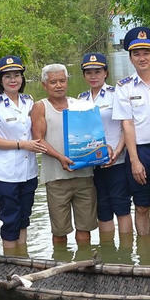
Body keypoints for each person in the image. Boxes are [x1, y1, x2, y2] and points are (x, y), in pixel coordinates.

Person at [112, 26, 150, 235]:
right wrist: (134, 160)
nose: (142, 58)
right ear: (130, 58)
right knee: (141, 206)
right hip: (141, 152)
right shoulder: (124, 87)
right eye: (136, 54)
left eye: (146, 53)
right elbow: (127, 124)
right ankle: (145, 258)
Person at [0, 56, 44, 251]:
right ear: (1, 80)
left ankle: (22, 256)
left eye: (17, 75)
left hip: (29, 170)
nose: (13, 80)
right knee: (10, 219)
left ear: (22, 78)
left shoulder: (29, 101)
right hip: (5, 173)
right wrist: (21, 144)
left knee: (25, 217)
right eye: (7, 76)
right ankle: (10, 260)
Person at [31, 63, 97, 245]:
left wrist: (101, 149)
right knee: (59, 231)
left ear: (67, 82)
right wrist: (60, 157)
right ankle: (61, 266)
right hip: (56, 177)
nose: (58, 85)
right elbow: (38, 140)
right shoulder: (40, 107)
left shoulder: (80, 105)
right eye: (53, 82)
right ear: (44, 85)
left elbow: (92, 135)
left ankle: (83, 267)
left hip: (83, 174)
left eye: (62, 81)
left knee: (85, 229)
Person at [77, 53, 132, 237]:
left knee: (122, 206)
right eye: (89, 72)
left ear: (106, 73)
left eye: (98, 71)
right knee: (102, 207)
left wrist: (117, 152)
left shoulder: (116, 94)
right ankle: (108, 253)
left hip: (116, 161)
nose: (93, 76)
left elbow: (126, 127)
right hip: (91, 164)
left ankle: (126, 252)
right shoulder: (80, 99)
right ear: (84, 75)